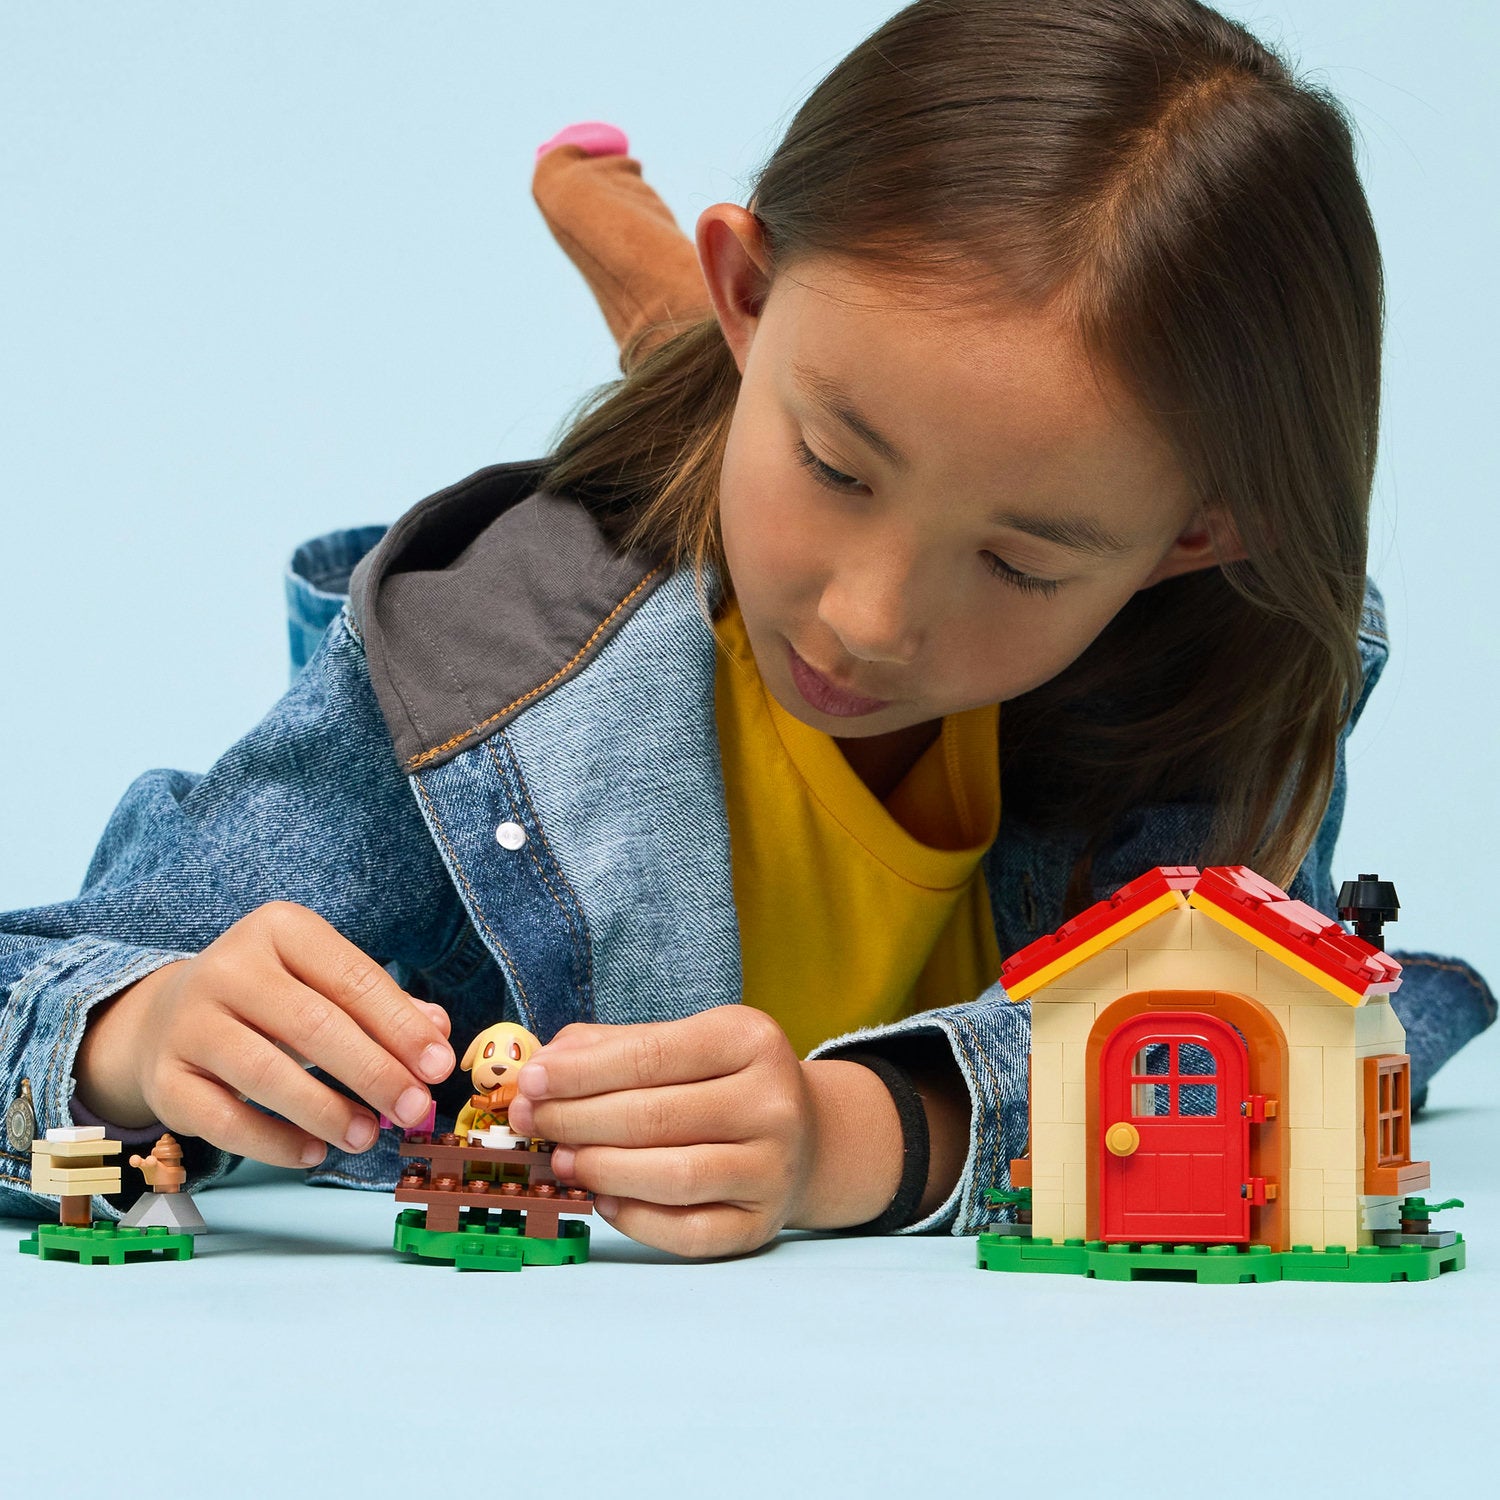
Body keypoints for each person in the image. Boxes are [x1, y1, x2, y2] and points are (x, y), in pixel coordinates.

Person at [1, 0, 1492, 1258]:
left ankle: (713, 364)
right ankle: (671, 315)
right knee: (684, 468)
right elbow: (39, 983)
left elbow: (1248, 1056)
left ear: (1192, 540)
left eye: (1019, 563)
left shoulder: (1216, 664)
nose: (867, 621)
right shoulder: (487, 678)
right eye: (837, 467)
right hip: (616, 568)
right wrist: (134, 1037)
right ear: (752, 292)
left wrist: (863, 1134)